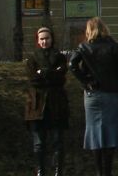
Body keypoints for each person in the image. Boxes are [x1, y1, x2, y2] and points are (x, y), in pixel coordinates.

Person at [68, 16, 118, 175]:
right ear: (104, 29)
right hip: (111, 93)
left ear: (89, 31)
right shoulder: (114, 47)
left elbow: (72, 65)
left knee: (95, 133)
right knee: (111, 133)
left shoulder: (84, 47)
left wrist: (85, 80)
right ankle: (107, 171)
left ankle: (98, 171)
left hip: (92, 94)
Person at [23, 26, 70, 176]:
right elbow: (33, 80)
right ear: (38, 41)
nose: (45, 41)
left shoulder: (60, 57)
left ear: (52, 39)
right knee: (39, 143)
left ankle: (58, 171)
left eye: (47, 38)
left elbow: (61, 77)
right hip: (37, 105)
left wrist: (43, 73)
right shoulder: (32, 59)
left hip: (56, 104)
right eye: (42, 39)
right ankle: (40, 172)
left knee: (58, 142)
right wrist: (50, 74)